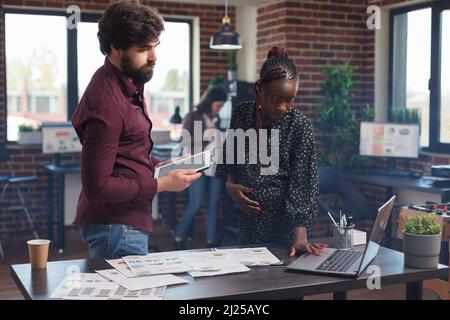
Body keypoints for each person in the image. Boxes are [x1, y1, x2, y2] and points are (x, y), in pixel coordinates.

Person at [71, 1, 201, 259]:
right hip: (117, 226)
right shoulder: (108, 101)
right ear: (115, 48)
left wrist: (158, 165)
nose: (153, 56)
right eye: (144, 49)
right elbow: (97, 187)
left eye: (154, 47)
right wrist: (162, 183)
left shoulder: (127, 82)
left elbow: (126, 151)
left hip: (123, 223)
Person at [216, 47, 325, 257]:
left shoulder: (299, 125)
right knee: (250, 284)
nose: (284, 107)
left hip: (286, 231)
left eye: (290, 99)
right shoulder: (243, 114)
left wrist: (300, 237)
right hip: (250, 223)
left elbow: (302, 183)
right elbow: (230, 158)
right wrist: (230, 186)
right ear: (260, 89)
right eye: (277, 100)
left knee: (284, 287)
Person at [173, 87, 228, 249]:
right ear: (210, 102)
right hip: (196, 166)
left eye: (222, 106)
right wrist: (204, 134)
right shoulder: (193, 116)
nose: (219, 109)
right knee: (195, 204)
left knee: (213, 205)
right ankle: (178, 237)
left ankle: (211, 242)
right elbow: (183, 141)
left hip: (215, 166)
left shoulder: (218, 119)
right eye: (218, 105)